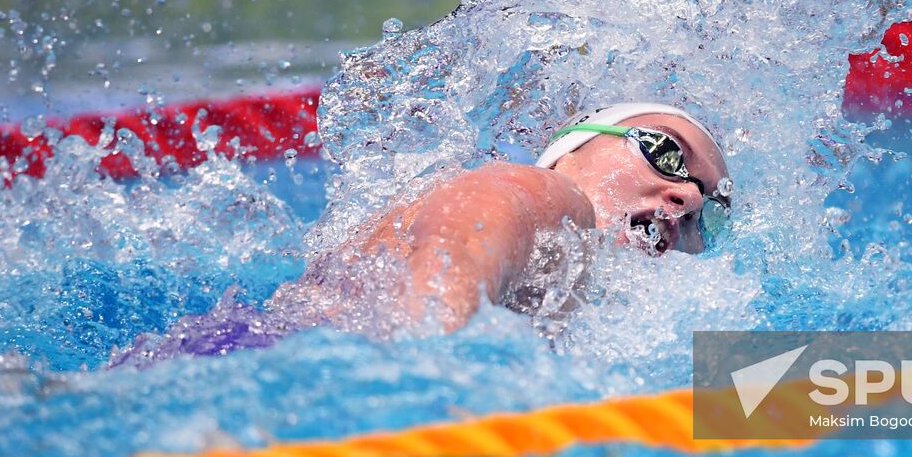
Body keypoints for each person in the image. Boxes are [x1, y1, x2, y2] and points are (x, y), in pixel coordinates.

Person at [274, 102, 734, 334]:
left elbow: (772, 395)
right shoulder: (552, 195)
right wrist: (423, 371)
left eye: (710, 215)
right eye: (664, 152)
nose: (690, 198)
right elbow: (453, 251)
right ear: (569, 152)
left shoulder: (584, 304)